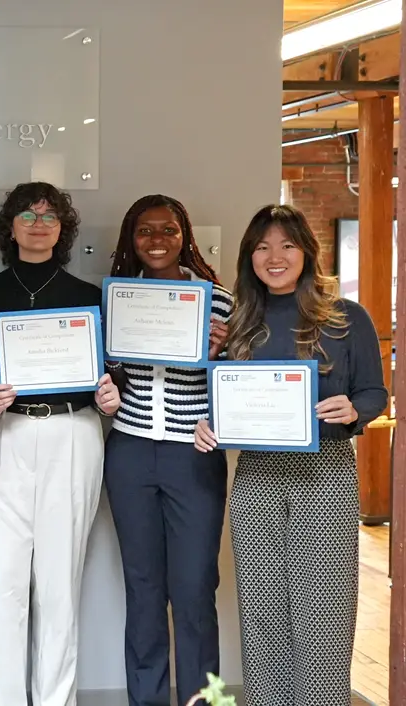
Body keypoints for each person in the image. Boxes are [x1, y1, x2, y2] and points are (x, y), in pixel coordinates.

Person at [194, 204, 387, 706]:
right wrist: (209, 424)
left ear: (307, 252)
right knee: (262, 609)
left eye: (286, 245)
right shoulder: (240, 322)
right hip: (256, 478)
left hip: (325, 474)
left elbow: (374, 393)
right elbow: (226, 399)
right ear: (249, 257)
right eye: (262, 247)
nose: (274, 256)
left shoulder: (347, 317)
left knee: (324, 609)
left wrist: (354, 410)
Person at [0, 181, 120, 706]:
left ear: (64, 228)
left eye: (49, 216)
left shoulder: (90, 298)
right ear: (9, 228)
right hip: (2, 434)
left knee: (59, 585)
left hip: (72, 433)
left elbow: (114, 373)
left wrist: (109, 396)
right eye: (28, 216)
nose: (39, 224)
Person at [102, 195, 232, 706]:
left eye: (168, 230)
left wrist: (219, 356)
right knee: (143, 587)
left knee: (195, 587)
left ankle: (207, 701)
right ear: (130, 240)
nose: (156, 240)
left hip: (192, 456)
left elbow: (241, 386)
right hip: (130, 452)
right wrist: (107, 383)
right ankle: (147, 699)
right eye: (145, 231)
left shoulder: (219, 302)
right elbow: (108, 376)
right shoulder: (117, 300)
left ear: (185, 236)